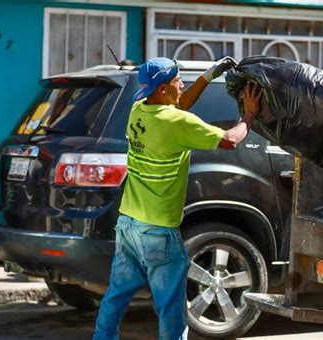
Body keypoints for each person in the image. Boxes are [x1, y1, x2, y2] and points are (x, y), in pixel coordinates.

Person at [93, 56, 262, 340]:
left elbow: (178, 105)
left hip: (129, 225)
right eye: (176, 82)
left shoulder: (138, 111)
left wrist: (208, 77)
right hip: (158, 231)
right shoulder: (178, 123)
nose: (182, 85)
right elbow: (230, 140)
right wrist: (249, 115)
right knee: (171, 310)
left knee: (116, 295)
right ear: (161, 90)